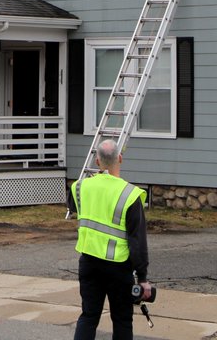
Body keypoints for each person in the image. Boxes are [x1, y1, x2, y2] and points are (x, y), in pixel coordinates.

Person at [68, 139, 149, 340]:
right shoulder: (130, 194)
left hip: (89, 262)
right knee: (122, 320)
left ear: (97, 162)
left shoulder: (81, 187)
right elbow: (137, 241)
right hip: (118, 267)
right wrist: (143, 278)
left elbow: (73, 206)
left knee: (88, 316)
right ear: (120, 158)